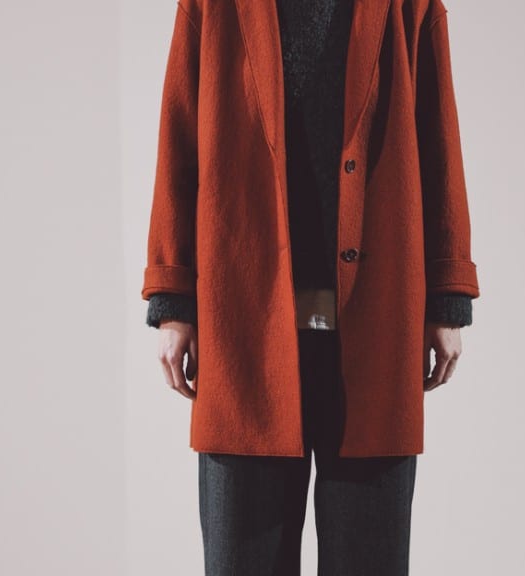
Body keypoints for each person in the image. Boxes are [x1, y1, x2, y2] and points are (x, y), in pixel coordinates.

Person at [141, 0, 479, 573]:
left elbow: (438, 134)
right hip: (243, 327)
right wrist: (172, 299)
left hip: (375, 323)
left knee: (369, 559)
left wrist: (448, 293)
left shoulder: (410, 6)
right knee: (241, 558)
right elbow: (179, 137)